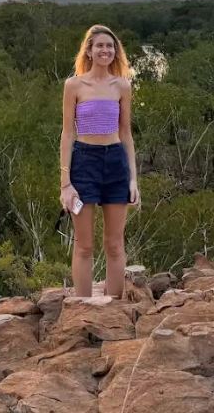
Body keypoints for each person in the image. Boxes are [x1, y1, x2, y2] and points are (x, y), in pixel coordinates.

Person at [58, 24, 140, 298]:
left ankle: (114, 309)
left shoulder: (123, 86)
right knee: (83, 246)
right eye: (99, 46)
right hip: (84, 163)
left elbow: (126, 133)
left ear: (115, 52)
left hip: (116, 163)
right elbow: (67, 134)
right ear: (89, 51)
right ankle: (82, 313)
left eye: (110, 46)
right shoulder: (74, 85)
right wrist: (65, 184)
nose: (105, 50)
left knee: (114, 245)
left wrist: (133, 179)